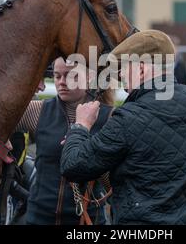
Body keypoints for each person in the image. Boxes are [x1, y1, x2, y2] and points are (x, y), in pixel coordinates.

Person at [61, 30, 186, 225]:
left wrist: (80, 126)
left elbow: (73, 166)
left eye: (124, 69)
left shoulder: (128, 117)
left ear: (141, 69)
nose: (121, 78)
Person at [16, 57, 114, 225]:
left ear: (90, 76)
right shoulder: (37, 111)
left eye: (70, 76)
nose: (61, 82)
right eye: (56, 76)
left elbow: (115, 182)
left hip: (87, 220)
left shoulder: (109, 118)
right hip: (38, 218)